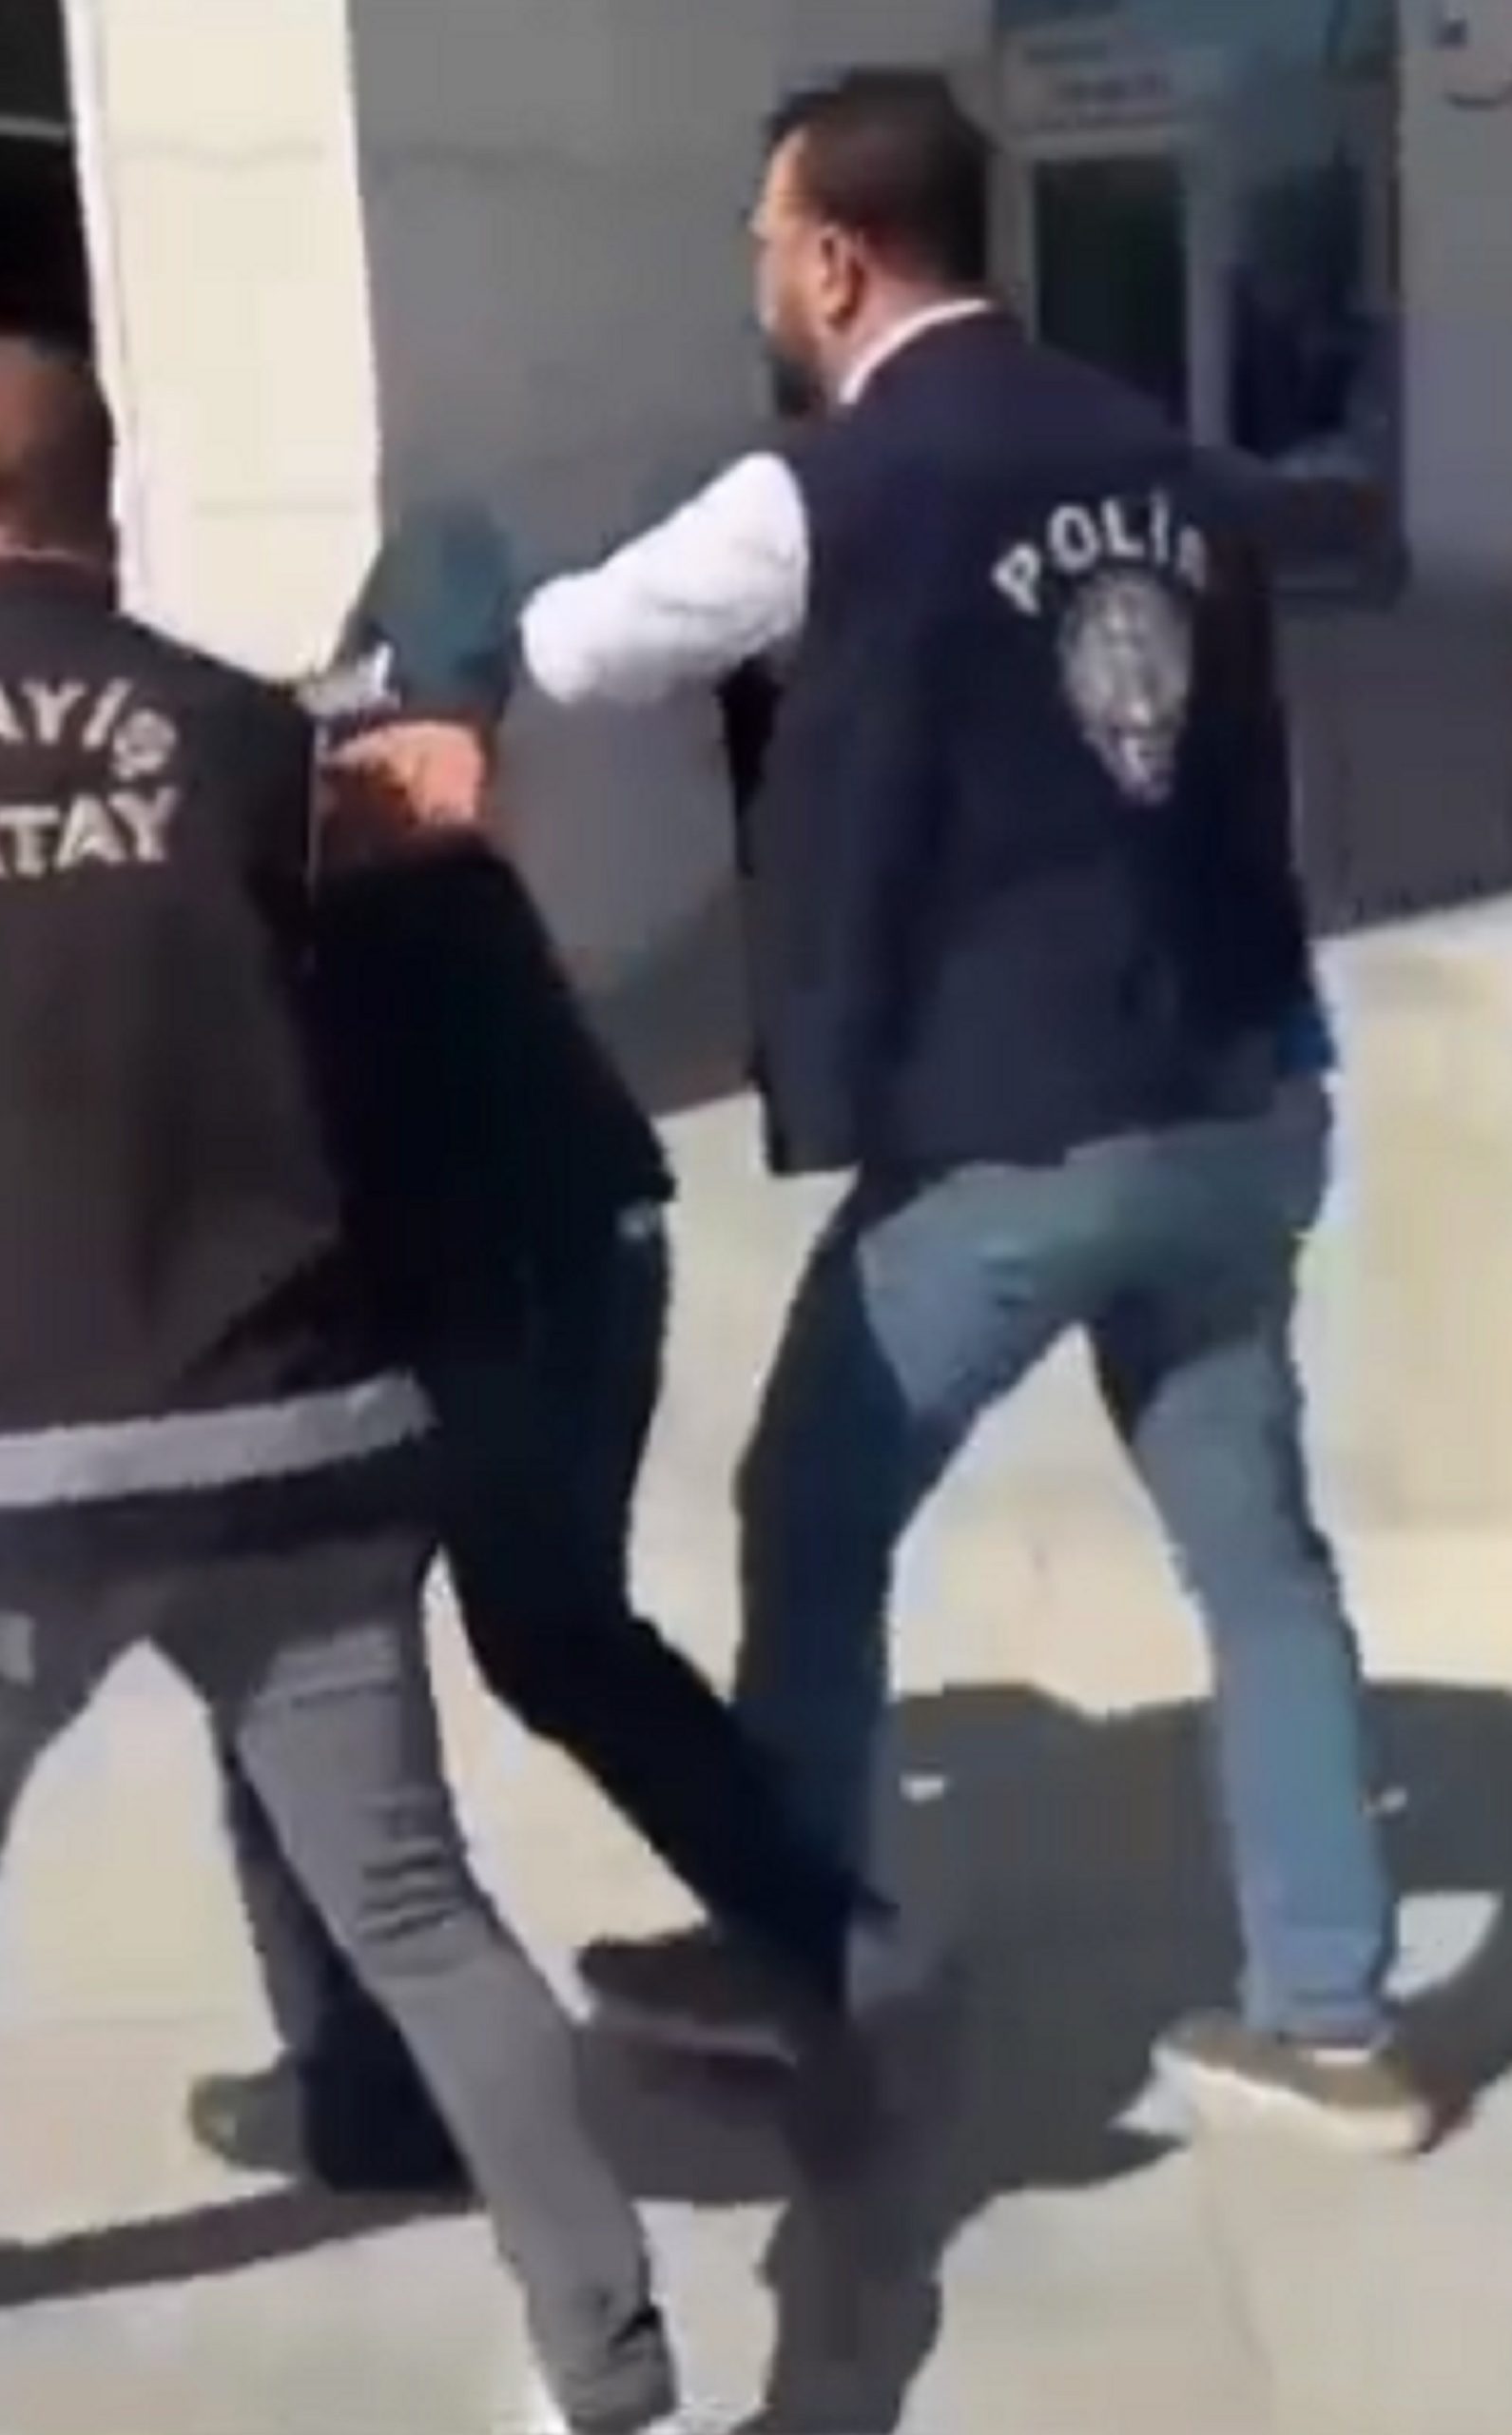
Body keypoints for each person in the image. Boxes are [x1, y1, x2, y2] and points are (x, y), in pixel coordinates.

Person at [0, 339, 685, 2435]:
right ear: (102, 505)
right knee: (413, 1900)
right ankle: (608, 2354)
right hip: (279, 1432)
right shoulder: (243, 740)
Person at [494, 73, 1425, 2153]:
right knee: (1257, 1559)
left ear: (835, 258)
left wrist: (437, 632)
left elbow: (586, 645)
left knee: (810, 1511)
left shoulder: (831, 486)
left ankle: (807, 1951)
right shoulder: (1175, 465)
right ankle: (1333, 2017)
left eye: (765, 241)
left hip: (1017, 1129)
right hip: (1237, 1095)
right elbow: (1262, 786)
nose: (758, 275)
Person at [192, 513, 872, 2192]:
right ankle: (821, 1935)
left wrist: (443, 705)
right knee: (544, 1636)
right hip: (567, 1250)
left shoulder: (281, 802)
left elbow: (451, 552)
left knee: (302, 1674)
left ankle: (369, 2098)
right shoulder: (306, 806)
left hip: (503, 1277)